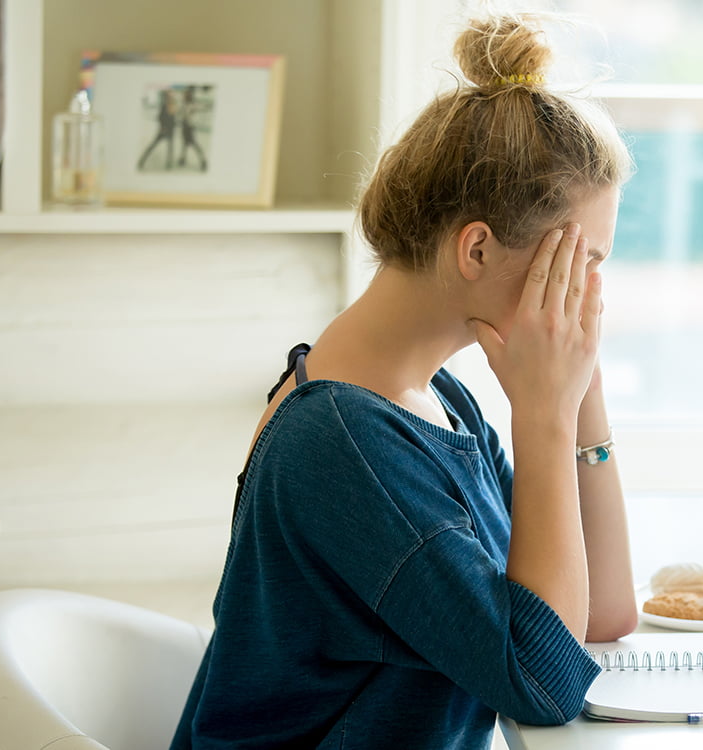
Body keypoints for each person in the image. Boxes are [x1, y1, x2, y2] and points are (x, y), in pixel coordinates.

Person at [171, 12, 637, 750]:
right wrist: (544, 412)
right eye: (583, 262)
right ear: (477, 249)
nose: (589, 295)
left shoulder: (436, 402)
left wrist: (583, 398)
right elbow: (544, 683)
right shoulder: (343, 441)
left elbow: (600, 615)